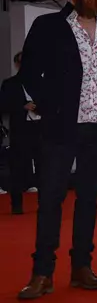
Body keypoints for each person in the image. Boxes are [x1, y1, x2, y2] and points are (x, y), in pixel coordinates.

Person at [17, 0, 97, 299]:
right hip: (62, 127)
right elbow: (29, 73)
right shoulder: (48, 26)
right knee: (50, 200)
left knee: (89, 201)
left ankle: (81, 268)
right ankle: (42, 273)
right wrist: (51, 107)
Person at [0, 52, 41, 215]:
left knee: (43, 168)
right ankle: (16, 204)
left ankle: (44, 204)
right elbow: (3, 106)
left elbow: (52, 104)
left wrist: (38, 106)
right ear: (17, 65)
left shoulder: (41, 83)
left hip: (40, 129)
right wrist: (22, 106)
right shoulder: (9, 84)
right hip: (20, 130)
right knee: (17, 168)